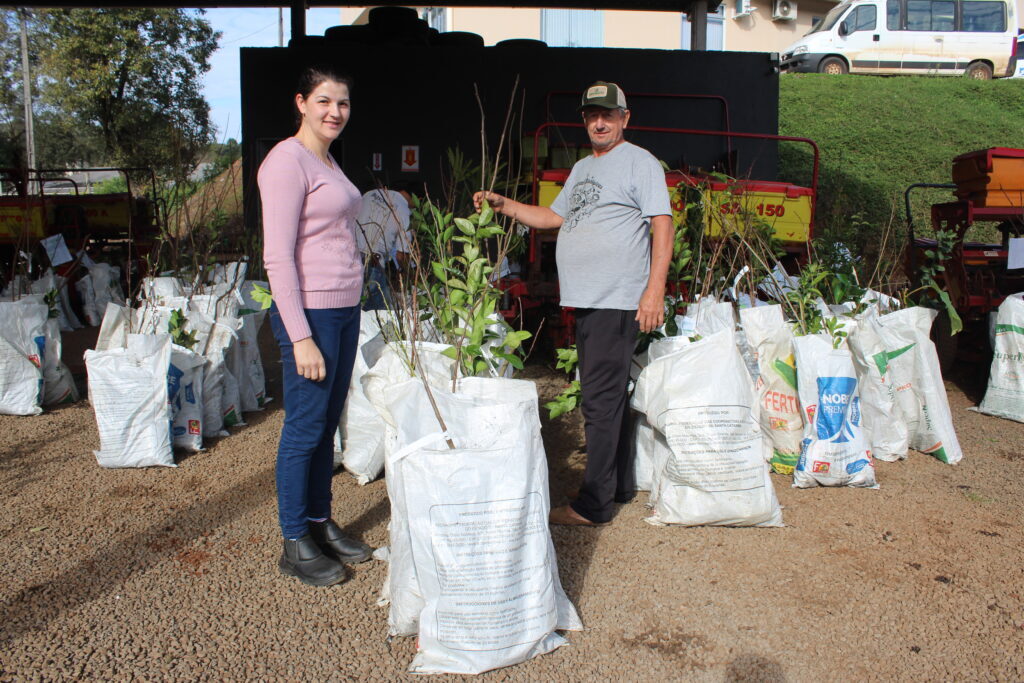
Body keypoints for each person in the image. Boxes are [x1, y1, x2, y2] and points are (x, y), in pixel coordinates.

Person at [474, 81, 673, 526]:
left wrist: (653, 289)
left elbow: (662, 223)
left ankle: (593, 505)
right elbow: (552, 217)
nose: (599, 122)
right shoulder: (584, 168)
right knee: (609, 394)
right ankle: (616, 486)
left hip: (615, 298)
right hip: (589, 299)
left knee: (599, 402)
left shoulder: (639, 163)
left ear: (625, 118)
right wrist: (503, 204)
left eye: (608, 114)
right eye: (591, 115)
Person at [258, 65, 373, 586]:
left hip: (345, 309)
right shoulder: (287, 161)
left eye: (343, 104)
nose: (335, 112)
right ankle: (294, 541)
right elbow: (277, 258)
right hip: (313, 313)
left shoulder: (327, 161)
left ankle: (320, 524)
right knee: (304, 428)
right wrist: (300, 335)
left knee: (328, 424)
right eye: (325, 101)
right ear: (301, 102)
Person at [355, 184, 413, 310]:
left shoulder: (369, 194)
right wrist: (406, 277)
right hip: (373, 262)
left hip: (348, 255)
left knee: (351, 308)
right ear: (413, 198)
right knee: (378, 314)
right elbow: (401, 255)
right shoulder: (403, 209)